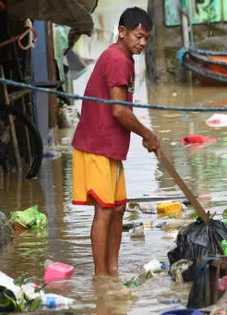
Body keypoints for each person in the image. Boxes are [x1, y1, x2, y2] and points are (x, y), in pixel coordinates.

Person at [71, 7, 159, 277]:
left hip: (110, 147)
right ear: (122, 32)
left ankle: (113, 270)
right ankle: (101, 277)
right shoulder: (118, 59)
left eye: (146, 38)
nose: (142, 42)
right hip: (96, 145)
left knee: (118, 208)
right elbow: (119, 110)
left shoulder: (124, 58)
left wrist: (145, 133)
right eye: (138, 36)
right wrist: (147, 134)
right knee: (105, 210)